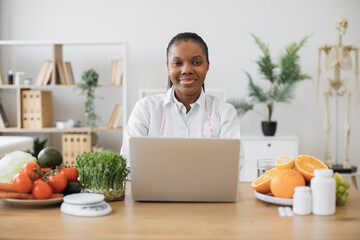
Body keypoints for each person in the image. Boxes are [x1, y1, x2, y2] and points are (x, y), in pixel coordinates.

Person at [120, 32, 241, 163]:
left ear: (207, 66)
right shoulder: (145, 108)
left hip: (209, 185)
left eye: (196, 62)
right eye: (177, 63)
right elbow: (129, 162)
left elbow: (233, 165)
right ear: (168, 67)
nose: (186, 70)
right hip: (155, 184)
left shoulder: (225, 112)